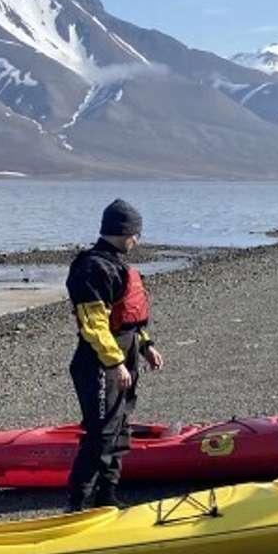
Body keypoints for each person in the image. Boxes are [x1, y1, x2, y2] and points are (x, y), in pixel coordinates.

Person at [65, 198, 164, 509]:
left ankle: (107, 496)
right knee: (101, 432)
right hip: (99, 360)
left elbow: (130, 317)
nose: (137, 240)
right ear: (126, 233)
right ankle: (78, 503)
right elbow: (93, 324)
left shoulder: (118, 265)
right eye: (136, 234)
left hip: (126, 353)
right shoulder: (93, 268)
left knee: (120, 428)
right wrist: (115, 362)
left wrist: (146, 345)